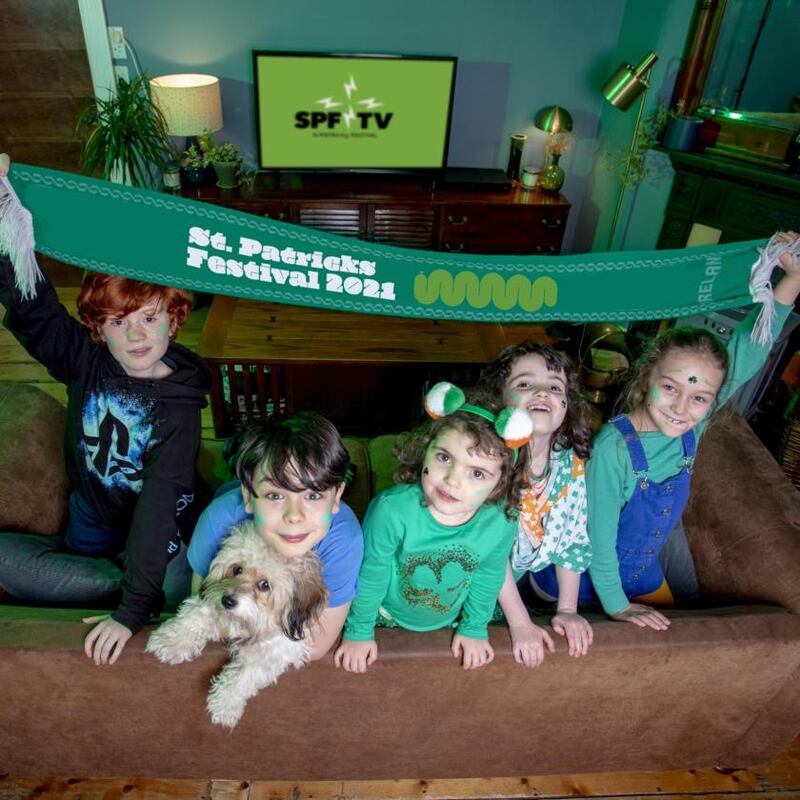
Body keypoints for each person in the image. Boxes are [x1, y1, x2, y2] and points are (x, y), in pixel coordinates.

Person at [0, 153, 211, 666]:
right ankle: (112, 587)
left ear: (173, 319)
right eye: (119, 322)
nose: (136, 335)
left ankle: (130, 593)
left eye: (148, 317)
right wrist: (5, 209)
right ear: (99, 328)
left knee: (170, 598)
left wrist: (133, 610)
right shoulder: (85, 360)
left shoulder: (179, 410)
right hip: (93, 517)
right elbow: (33, 308)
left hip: (163, 533)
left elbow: (158, 506)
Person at [587, 232, 800, 630]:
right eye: (670, 388)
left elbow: (752, 346)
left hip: (645, 571)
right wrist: (617, 606)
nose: (683, 408)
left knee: (689, 627)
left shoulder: (694, 426)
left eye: (701, 397)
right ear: (647, 376)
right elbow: (597, 541)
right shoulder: (613, 448)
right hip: (594, 580)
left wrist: (792, 279)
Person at [334, 383, 532, 672]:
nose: (452, 480)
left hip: (456, 614)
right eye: (444, 458)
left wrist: (474, 628)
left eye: (477, 473)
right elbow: (371, 572)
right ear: (425, 449)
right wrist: (359, 631)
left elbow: (489, 574)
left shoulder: (503, 519)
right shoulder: (391, 509)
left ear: (500, 483)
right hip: (385, 613)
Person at [187, 412, 364, 660]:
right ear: (248, 496)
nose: (294, 516)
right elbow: (204, 609)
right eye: (276, 495)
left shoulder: (344, 539)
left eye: (312, 495)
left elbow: (315, 647)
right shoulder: (219, 518)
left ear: (336, 498)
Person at [478, 343, 594, 667]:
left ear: (566, 405)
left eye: (555, 387)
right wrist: (519, 622)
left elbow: (572, 540)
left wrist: (567, 610)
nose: (542, 392)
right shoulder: (488, 459)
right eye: (525, 384)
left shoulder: (569, 462)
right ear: (498, 399)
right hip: (468, 580)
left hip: (507, 585)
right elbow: (487, 552)